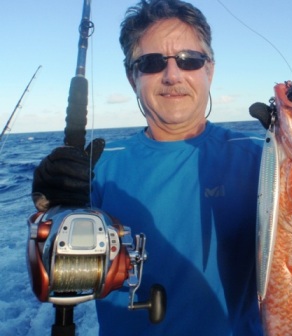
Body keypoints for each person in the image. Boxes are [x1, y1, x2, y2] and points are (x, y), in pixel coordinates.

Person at [33, 0, 264, 335]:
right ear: (132, 76)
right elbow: (48, 267)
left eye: (190, 60)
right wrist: (48, 204)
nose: (172, 75)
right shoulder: (98, 166)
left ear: (209, 69)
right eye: (153, 63)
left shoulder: (264, 160)